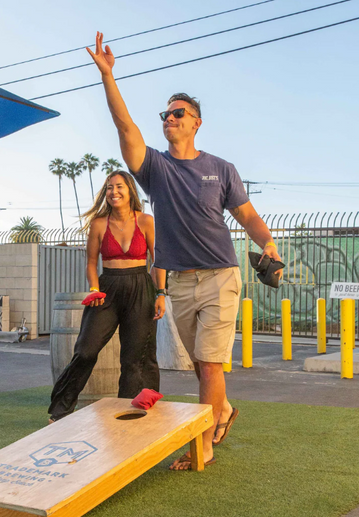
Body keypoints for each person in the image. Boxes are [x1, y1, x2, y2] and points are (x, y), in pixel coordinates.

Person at [87, 32, 282, 470]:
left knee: (211, 367)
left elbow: (247, 216)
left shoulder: (220, 168)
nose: (170, 118)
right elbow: (125, 128)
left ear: (196, 123)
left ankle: (204, 445)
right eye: (166, 113)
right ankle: (224, 411)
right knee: (200, 365)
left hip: (219, 276)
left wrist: (267, 242)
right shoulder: (156, 168)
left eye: (179, 113)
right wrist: (108, 77)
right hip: (180, 281)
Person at [48, 171, 165, 422]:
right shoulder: (99, 224)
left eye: (119, 186)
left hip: (140, 287)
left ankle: (131, 411)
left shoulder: (146, 221)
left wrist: (161, 293)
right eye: (110, 188)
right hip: (107, 290)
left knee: (135, 357)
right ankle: (61, 409)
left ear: (130, 190)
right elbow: (92, 263)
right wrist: (94, 289)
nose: (114, 192)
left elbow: (159, 261)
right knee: (86, 350)